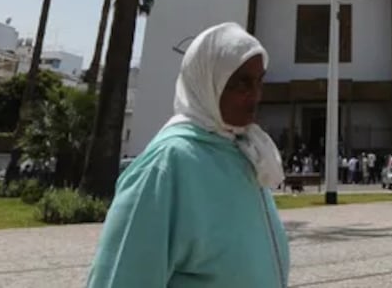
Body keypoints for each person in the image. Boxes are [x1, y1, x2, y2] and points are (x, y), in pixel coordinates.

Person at [87, 22, 288, 287]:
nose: (255, 95)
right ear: (206, 82)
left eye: (259, 81)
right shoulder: (168, 165)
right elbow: (121, 276)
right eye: (242, 84)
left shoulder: (244, 153)